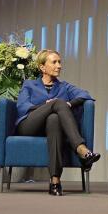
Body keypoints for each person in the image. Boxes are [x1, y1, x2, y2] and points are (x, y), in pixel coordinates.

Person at [15, 49, 100, 196]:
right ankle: (81, 149)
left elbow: (85, 95)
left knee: (54, 119)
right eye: (54, 62)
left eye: (59, 62)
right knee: (56, 104)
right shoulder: (29, 85)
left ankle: (55, 181)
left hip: (50, 128)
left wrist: (70, 104)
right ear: (42, 67)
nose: (59, 65)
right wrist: (46, 106)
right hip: (29, 125)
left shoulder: (64, 86)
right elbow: (22, 105)